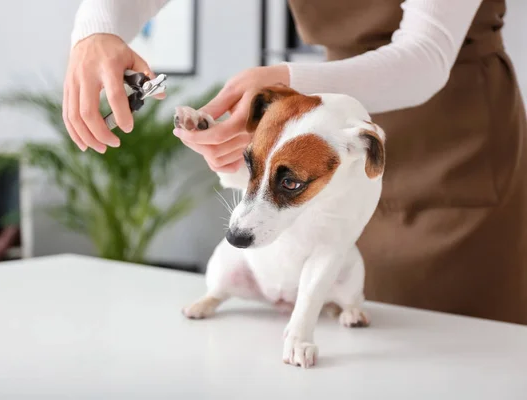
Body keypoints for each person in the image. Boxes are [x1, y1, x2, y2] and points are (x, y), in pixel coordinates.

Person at [64, 0, 527, 325]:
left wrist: (288, 84)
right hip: (311, 121)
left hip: (452, 147)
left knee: (451, 346)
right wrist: (96, 28)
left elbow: (426, 55)